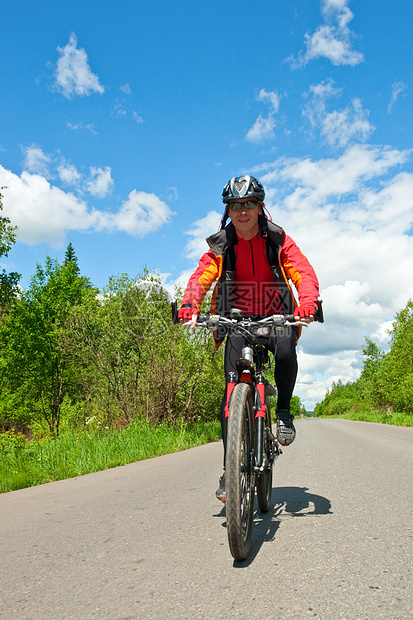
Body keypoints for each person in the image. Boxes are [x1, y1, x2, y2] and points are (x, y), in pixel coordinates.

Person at [178, 175, 320, 501]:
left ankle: (283, 412)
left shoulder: (278, 240)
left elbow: (303, 271)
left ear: (260, 207)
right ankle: (231, 469)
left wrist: (309, 302)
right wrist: (190, 304)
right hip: (235, 318)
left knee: (286, 352)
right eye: (236, 205)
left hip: (276, 316)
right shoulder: (221, 244)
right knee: (230, 396)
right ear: (228, 210)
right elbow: (202, 275)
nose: (243, 211)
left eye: (250, 204)